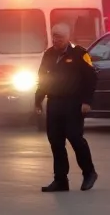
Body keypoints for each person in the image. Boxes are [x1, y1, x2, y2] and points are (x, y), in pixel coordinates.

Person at [35, 22, 98, 192]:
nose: (56, 40)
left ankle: (89, 172)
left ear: (68, 38)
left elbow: (91, 79)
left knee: (75, 138)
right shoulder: (48, 55)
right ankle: (60, 180)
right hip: (54, 103)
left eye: (60, 37)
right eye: (54, 36)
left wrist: (87, 101)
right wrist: (38, 100)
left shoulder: (80, 54)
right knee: (55, 141)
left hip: (74, 103)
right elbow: (42, 78)